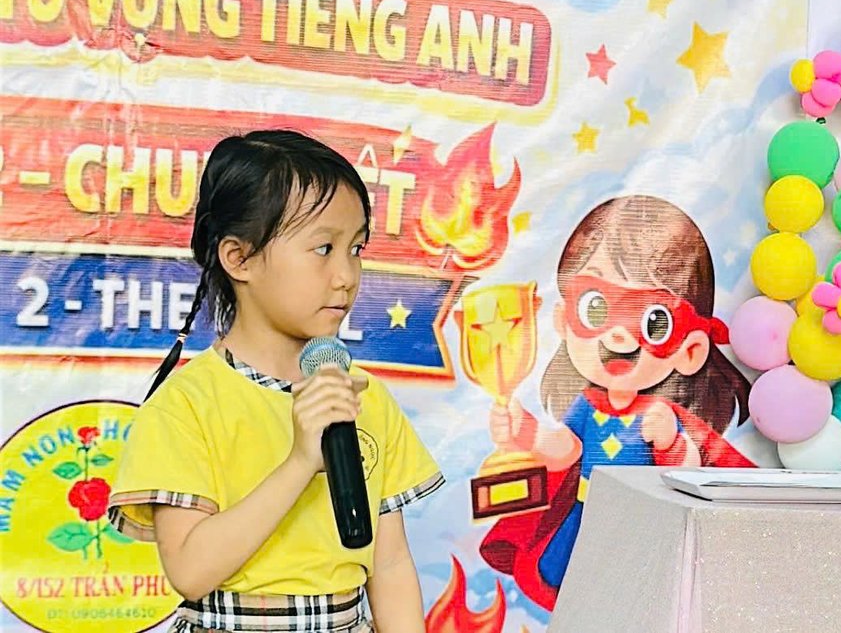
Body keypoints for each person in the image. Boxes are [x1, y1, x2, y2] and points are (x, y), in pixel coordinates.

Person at [109, 132, 442, 633]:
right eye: (323, 248)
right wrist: (301, 460)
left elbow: (390, 563)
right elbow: (191, 572)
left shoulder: (363, 396)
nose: (346, 275)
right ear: (239, 258)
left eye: (355, 248)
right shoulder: (187, 404)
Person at [479, 195, 753, 610]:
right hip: (586, 519)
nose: (619, 335)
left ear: (691, 350)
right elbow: (566, 449)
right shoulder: (588, 406)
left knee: (643, 601)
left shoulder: (663, 415)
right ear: (564, 322)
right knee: (584, 599)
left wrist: (671, 443)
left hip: (645, 526)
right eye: (596, 306)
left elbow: (692, 473)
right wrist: (528, 434)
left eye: (653, 320)